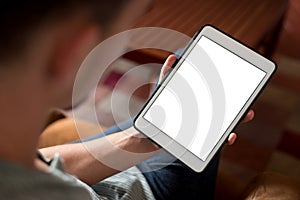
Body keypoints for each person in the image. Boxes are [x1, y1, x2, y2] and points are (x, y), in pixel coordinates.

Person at [0, 1, 254, 199]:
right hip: (145, 193)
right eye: (129, 25)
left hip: (107, 173)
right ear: (73, 50)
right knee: (206, 73)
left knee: (190, 69)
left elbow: (37, 165)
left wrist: (140, 136)